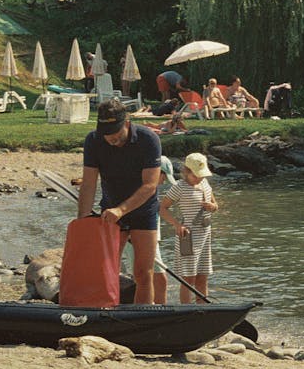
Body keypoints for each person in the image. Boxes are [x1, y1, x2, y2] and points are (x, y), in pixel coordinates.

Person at [78, 99, 161, 304]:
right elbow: (89, 184)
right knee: (106, 270)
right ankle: (104, 314)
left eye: (115, 133)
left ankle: (143, 317)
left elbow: (150, 186)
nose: (111, 139)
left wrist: (122, 210)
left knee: (143, 272)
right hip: (111, 210)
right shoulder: (94, 140)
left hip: (144, 211)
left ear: (127, 122)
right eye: (107, 134)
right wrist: (82, 221)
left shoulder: (148, 139)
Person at [160, 153, 218, 303]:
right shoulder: (179, 187)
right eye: (195, 175)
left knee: (203, 276)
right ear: (186, 171)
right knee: (188, 278)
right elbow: (162, 208)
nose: (199, 178)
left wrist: (212, 207)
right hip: (188, 236)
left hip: (205, 235)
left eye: (201, 175)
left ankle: (203, 308)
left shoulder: (205, 183)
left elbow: (215, 205)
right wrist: (176, 224)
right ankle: (186, 310)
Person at [125, 156, 178, 303]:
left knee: (152, 278)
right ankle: (157, 311)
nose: (164, 181)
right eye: (164, 177)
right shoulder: (141, 191)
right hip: (140, 240)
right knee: (156, 278)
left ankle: (156, 307)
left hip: (151, 240)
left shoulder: (150, 190)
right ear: (156, 172)